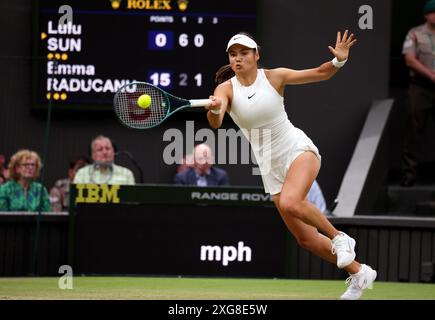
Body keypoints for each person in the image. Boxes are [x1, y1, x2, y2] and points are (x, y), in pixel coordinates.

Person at [203, 31, 376, 300]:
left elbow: (320, 72)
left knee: (291, 202)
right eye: (233, 54)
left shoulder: (274, 77)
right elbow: (216, 122)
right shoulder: (225, 89)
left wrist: (339, 61)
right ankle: (360, 272)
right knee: (305, 239)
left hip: (297, 150)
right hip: (270, 167)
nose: (238, 59)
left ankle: (340, 237)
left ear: (256, 55)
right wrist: (215, 109)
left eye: (244, 53)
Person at [401, 0, 435, 187]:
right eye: (433, 12)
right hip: (421, 86)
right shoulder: (415, 33)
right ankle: (409, 173)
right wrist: (430, 74)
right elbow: (410, 60)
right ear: (426, 15)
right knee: (414, 128)